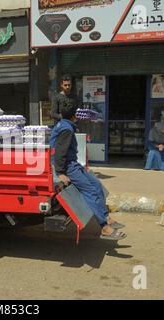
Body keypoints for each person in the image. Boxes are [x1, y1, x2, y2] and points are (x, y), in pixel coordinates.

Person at [50, 102, 127, 241]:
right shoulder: (67, 129)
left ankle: (106, 218)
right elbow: (59, 152)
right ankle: (104, 227)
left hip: (72, 164)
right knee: (91, 191)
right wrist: (60, 172)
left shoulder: (65, 124)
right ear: (75, 116)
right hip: (68, 167)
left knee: (97, 185)